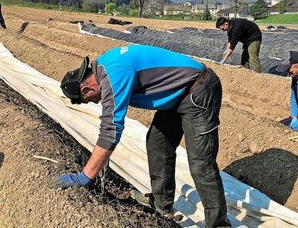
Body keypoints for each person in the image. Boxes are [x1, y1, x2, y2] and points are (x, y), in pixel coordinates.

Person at [54, 45, 230, 227]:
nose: (96, 101)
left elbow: (111, 129)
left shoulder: (114, 74)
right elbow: (110, 122)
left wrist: (85, 176)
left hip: (198, 90)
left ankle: (219, 224)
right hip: (176, 94)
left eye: (90, 99)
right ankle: (161, 204)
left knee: (201, 163)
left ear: (85, 90)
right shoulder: (104, 67)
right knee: (157, 144)